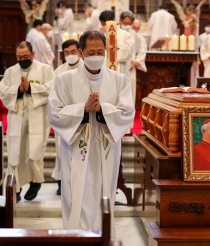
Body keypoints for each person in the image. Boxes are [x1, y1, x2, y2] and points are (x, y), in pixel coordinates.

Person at [48, 30, 135, 234]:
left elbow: (127, 113)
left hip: (106, 147)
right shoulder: (64, 80)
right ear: (81, 52)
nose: (96, 56)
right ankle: (74, 236)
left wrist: (103, 109)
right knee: (75, 193)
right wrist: (83, 110)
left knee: (104, 193)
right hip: (76, 148)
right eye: (91, 51)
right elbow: (54, 114)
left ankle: (102, 235)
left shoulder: (119, 80)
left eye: (100, 51)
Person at [0, 41, 54, 202]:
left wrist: (30, 88)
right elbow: (3, 91)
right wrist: (18, 90)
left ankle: (36, 181)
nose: (22, 60)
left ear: (33, 54)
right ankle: (14, 187)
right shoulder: (10, 72)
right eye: (19, 57)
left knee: (34, 151)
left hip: (37, 115)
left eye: (26, 57)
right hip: (17, 115)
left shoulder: (45, 69)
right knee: (15, 152)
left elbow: (52, 88)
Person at [51, 39, 84, 195]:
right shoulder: (58, 72)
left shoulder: (87, 68)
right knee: (61, 151)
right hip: (65, 117)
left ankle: (81, 183)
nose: (70, 55)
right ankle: (62, 182)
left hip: (83, 117)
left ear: (79, 51)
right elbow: (53, 96)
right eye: (67, 53)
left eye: (73, 52)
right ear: (63, 55)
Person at [99, 10, 134, 76]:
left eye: (105, 24)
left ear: (113, 21)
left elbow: (127, 53)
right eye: (103, 24)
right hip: (103, 70)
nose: (104, 26)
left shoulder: (126, 35)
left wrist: (114, 45)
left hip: (119, 70)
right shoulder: (98, 35)